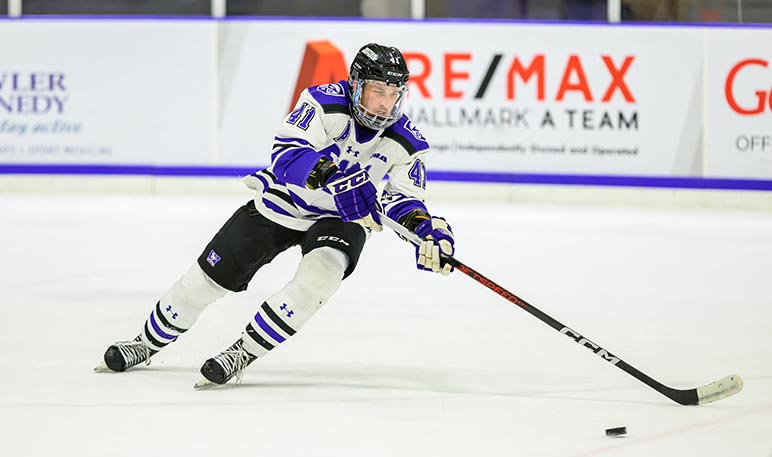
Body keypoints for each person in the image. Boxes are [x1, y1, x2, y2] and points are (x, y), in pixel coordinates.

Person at [95, 43, 456, 388]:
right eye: (378, 91)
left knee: (319, 280)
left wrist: (426, 233)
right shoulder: (322, 102)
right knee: (203, 282)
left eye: (394, 94)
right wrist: (333, 177)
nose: (385, 104)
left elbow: (402, 201)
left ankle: (242, 352)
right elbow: (286, 154)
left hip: (341, 220)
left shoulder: (408, 140)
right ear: (355, 85)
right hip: (282, 203)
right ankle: (145, 342)